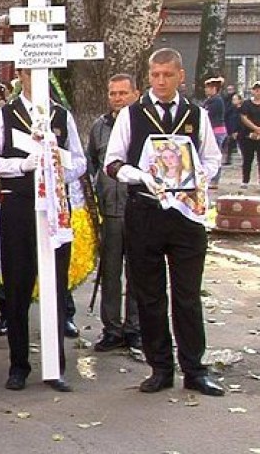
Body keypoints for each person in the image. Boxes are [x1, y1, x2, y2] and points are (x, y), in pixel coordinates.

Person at [104, 47, 224, 397]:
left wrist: (198, 175)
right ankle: (160, 367)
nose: (160, 81)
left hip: (186, 214)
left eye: (167, 75)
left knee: (187, 295)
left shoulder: (196, 114)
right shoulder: (132, 114)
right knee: (149, 294)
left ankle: (194, 369)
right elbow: (112, 163)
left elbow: (213, 157)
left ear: (180, 76)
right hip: (145, 211)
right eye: (155, 75)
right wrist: (140, 176)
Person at [0, 68, 85, 393]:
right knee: (18, 289)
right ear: (20, 75)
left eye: (43, 71)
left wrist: (58, 167)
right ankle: (18, 365)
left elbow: (80, 161)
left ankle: (55, 365)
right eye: (29, 73)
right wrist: (21, 165)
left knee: (55, 287)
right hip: (19, 207)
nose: (35, 79)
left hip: (54, 209)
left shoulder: (62, 116)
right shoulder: (4, 115)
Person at [86, 73, 141, 352]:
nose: (117, 99)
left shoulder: (143, 122)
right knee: (109, 272)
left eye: (123, 93)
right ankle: (112, 329)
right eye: (113, 94)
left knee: (138, 271)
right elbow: (92, 163)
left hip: (139, 210)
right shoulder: (100, 127)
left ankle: (134, 328)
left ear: (136, 93)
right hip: (109, 211)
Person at [239, 80, 260, 191]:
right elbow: (243, 117)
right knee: (247, 159)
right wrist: (255, 128)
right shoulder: (246, 104)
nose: (258, 93)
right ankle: (245, 181)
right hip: (248, 135)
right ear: (252, 91)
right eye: (256, 90)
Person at [201, 76, 226, 190]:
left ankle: (215, 179)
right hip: (211, 129)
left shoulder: (217, 101)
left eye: (208, 88)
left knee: (214, 155)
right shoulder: (208, 101)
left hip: (216, 130)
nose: (206, 90)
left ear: (214, 88)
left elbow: (208, 114)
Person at [224, 92, 243, 165]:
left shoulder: (242, 110)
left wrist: (237, 131)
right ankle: (228, 159)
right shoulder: (231, 109)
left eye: (235, 99)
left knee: (241, 146)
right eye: (233, 99)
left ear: (239, 100)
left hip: (239, 130)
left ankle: (244, 159)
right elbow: (228, 119)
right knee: (230, 145)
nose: (233, 101)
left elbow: (240, 121)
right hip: (231, 130)